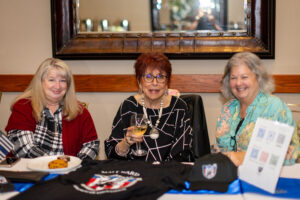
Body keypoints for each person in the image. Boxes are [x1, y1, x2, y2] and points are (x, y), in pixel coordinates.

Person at [105, 52, 193, 162]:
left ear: (167, 82)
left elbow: (183, 153)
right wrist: (126, 143)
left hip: (169, 174)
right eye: (148, 76)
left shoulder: (179, 108)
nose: (155, 82)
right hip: (133, 174)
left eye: (160, 77)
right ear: (139, 82)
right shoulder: (128, 106)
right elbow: (111, 154)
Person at [5, 58, 99, 160]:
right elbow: (24, 149)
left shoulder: (80, 111)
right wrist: (56, 164)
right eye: (51, 80)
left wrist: (77, 164)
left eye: (63, 80)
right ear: (40, 82)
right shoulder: (23, 106)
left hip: (71, 172)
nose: (58, 86)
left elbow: (91, 145)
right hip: (30, 173)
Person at [215, 52, 299, 166]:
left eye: (244, 77)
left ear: (258, 78)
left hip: (264, 180)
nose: (238, 83)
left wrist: (247, 157)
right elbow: (219, 150)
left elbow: (292, 153)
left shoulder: (274, 107)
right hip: (229, 178)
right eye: (233, 78)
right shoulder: (227, 109)